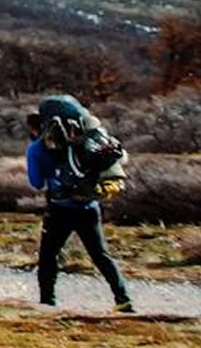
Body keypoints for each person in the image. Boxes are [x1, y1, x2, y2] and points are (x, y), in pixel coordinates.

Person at [26, 97, 133, 312]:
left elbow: (36, 183)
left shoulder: (37, 149)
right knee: (101, 256)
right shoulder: (84, 142)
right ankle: (123, 299)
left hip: (59, 209)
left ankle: (48, 301)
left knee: (48, 255)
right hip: (89, 207)